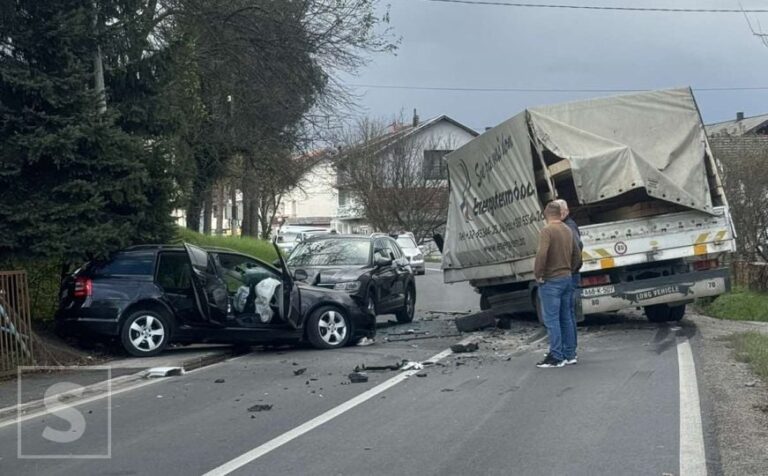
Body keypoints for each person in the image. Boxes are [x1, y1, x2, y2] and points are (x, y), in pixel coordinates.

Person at [534, 201, 582, 368]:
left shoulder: (547, 230)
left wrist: (538, 275)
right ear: (559, 213)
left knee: (552, 319)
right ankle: (570, 354)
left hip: (551, 280)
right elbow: (577, 254)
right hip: (567, 277)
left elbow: (542, 254)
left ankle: (556, 356)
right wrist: (571, 269)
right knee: (567, 317)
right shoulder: (568, 230)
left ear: (546, 215)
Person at [555, 198, 582, 364]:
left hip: (568, 275)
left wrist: (570, 269)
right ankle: (570, 350)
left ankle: (569, 352)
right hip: (571, 274)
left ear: (565, 211)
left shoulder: (568, 227)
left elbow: (576, 249)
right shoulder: (569, 226)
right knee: (568, 313)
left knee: (565, 314)